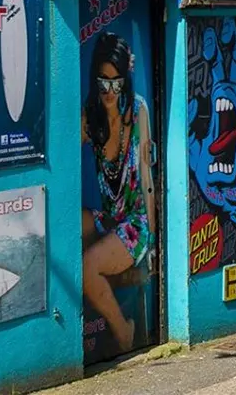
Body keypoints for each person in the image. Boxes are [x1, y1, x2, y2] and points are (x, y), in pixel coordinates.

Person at [83, 33, 154, 354]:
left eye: (116, 82)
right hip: (110, 218)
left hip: (135, 224)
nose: (109, 91)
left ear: (125, 79)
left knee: (86, 266)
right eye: (103, 82)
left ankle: (123, 332)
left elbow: (147, 175)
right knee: (69, 226)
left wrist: (152, 236)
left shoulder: (137, 111)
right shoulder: (91, 117)